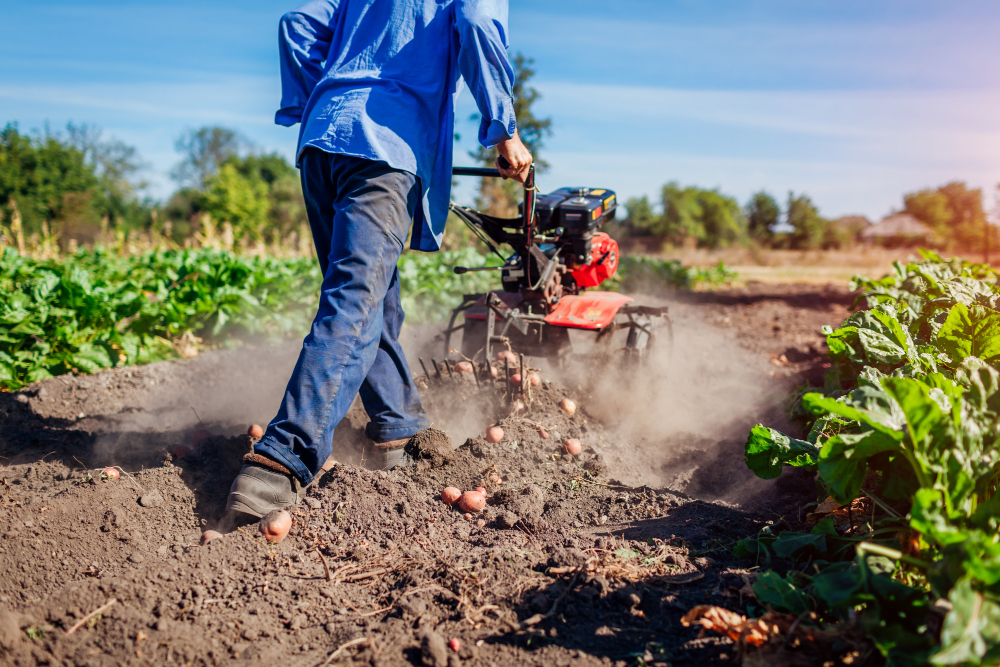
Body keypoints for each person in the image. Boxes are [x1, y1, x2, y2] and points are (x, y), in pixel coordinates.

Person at [224, 0, 533, 521]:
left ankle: (398, 429)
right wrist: (503, 130)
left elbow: (296, 24)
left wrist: (318, 99)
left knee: (371, 298)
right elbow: (479, 22)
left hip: (323, 143)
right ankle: (280, 463)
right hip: (386, 144)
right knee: (356, 304)